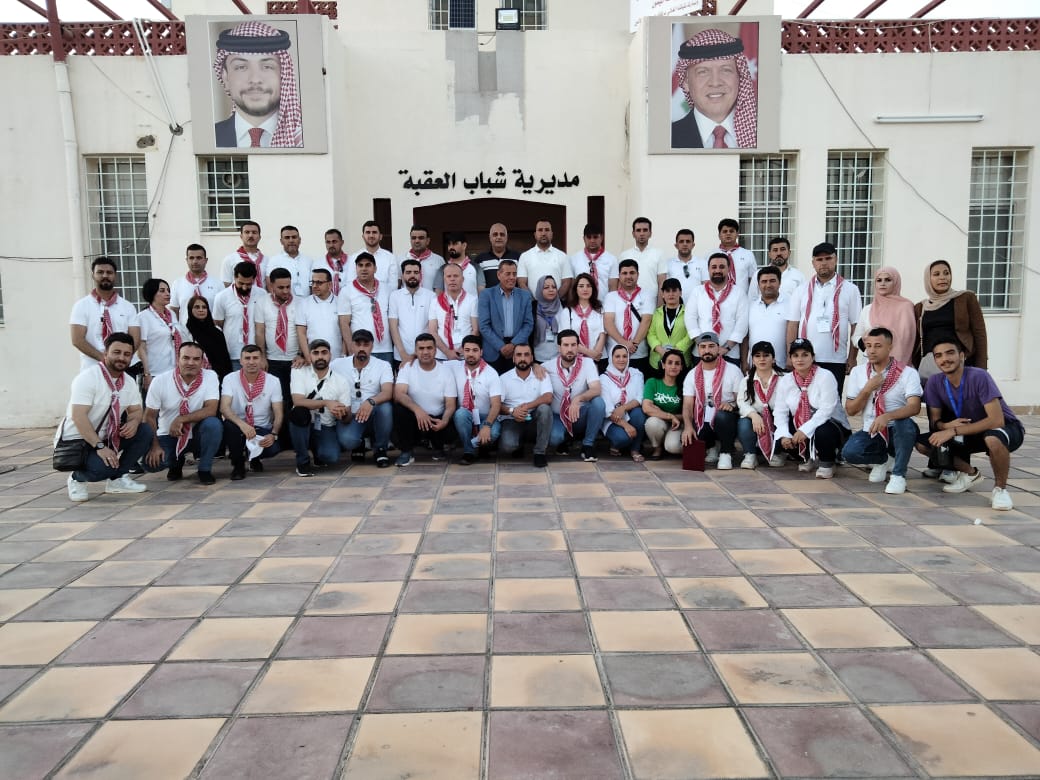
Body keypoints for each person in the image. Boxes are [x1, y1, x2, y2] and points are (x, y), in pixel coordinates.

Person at [915, 337, 1023, 510]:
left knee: (993, 438)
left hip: (1006, 428)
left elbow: (996, 420)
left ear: (962, 356)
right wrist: (945, 427)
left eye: (950, 353)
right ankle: (970, 474)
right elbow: (935, 421)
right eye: (939, 356)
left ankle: (1000, 490)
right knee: (924, 443)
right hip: (970, 430)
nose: (945, 359)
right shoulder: (934, 382)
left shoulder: (979, 376)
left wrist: (954, 431)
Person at [61, 332, 152, 502]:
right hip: (80, 440)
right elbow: (78, 416)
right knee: (103, 469)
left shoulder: (128, 382)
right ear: (105, 353)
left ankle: (117, 480)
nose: (122, 358)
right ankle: (76, 478)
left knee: (144, 430)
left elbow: (136, 411)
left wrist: (133, 422)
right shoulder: (88, 378)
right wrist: (100, 446)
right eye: (116, 352)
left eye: (127, 354)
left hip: (108, 436)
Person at [842, 327, 922, 495]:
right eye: (868, 345)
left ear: (890, 347)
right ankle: (884, 460)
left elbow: (914, 407)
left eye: (878, 346)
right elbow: (851, 410)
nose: (871, 350)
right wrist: (867, 389)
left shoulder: (907, 373)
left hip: (896, 427)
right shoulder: (858, 372)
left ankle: (898, 475)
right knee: (850, 453)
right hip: (872, 429)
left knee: (905, 426)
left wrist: (887, 416)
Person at [786, 242, 862, 394]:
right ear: (813, 263)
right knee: (804, 400)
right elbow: (793, 324)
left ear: (836, 260)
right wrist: (790, 355)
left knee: (832, 401)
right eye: (819, 260)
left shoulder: (850, 289)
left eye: (828, 258)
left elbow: (856, 326)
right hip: (805, 358)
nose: (824, 263)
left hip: (836, 359)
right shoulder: (801, 290)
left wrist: (852, 357)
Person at [212, 21, 302, 148]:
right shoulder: (208, 138)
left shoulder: (304, 139)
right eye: (241, 67)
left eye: (267, 67)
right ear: (225, 78)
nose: (255, 79)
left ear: (284, 75)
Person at [143, 341, 222, 485]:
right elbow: (149, 416)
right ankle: (175, 463)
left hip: (196, 434)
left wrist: (181, 419)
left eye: (196, 359)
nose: (191, 363)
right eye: (186, 358)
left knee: (213, 424)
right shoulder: (160, 381)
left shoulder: (210, 376)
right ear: (178, 358)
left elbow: (211, 409)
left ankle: (204, 469)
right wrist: (155, 446)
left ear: (202, 361)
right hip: (168, 434)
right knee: (151, 464)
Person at [773, 338, 851, 479]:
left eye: (805, 355)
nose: (800, 359)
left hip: (830, 423)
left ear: (813, 357)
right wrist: (784, 434)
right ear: (790, 358)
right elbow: (780, 411)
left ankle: (827, 462)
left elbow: (826, 410)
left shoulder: (825, 376)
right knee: (780, 431)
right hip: (801, 422)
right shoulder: (786, 380)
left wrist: (805, 430)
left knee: (822, 430)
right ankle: (807, 457)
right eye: (795, 355)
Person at [671, 27, 757, 149]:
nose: (715, 82)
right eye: (703, 72)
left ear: (740, 77)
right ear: (686, 82)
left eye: (726, 70)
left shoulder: (762, 135)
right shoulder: (667, 139)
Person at [913, 259, 988, 379]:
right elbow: (916, 340)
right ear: (928, 278)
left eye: (946, 273)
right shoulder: (920, 307)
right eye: (936, 274)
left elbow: (979, 333)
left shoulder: (966, 298)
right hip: (931, 368)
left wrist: (982, 369)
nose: (943, 277)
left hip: (962, 364)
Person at [254, 267, 305, 443]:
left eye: (288, 287)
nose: (285, 291)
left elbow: (303, 331)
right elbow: (260, 331)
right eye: (281, 287)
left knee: (294, 399)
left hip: (295, 361)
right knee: (278, 400)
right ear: (271, 286)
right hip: (272, 360)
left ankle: (294, 438)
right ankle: (280, 439)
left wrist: (301, 354)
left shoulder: (300, 303)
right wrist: (262, 357)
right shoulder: (262, 303)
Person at [330, 329, 395, 467]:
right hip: (350, 414)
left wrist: (371, 401)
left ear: (372, 346)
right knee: (348, 441)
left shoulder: (383, 365)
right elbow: (320, 369)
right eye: (358, 344)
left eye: (366, 345)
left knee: (386, 408)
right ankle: (359, 444)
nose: (361, 348)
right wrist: (302, 358)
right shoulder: (337, 364)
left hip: (373, 412)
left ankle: (380, 449)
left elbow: (387, 392)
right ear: (351, 345)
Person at [288, 339, 351, 476]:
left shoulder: (340, 380)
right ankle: (302, 463)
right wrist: (326, 402)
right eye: (315, 353)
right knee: (299, 412)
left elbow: (347, 417)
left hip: (325, 425)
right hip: (303, 423)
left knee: (330, 457)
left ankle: (318, 454)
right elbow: (297, 401)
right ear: (309, 355)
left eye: (324, 352)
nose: (320, 356)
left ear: (330, 355)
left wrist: (342, 413)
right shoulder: (299, 371)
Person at [393, 333, 457, 465]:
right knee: (399, 409)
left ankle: (439, 448)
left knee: (454, 418)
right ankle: (407, 452)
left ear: (435, 350)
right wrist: (418, 410)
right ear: (415, 351)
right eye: (421, 348)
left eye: (429, 348)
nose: (425, 352)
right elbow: (399, 394)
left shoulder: (446, 371)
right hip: (415, 420)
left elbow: (450, 404)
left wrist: (444, 421)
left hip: (436, 421)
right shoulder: (407, 368)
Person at [220, 344, 283, 480]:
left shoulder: (273, 381)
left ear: (262, 360)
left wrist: (273, 434)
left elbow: (278, 413)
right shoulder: (230, 379)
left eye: (255, 358)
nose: (251, 362)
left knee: (273, 448)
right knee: (229, 426)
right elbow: (224, 407)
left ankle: (254, 458)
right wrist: (243, 425)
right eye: (247, 358)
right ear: (241, 361)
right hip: (238, 426)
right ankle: (238, 465)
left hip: (261, 427)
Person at [682, 333, 743, 469]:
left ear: (718, 348)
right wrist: (688, 426)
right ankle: (712, 447)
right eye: (703, 347)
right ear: (698, 350)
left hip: (726, 417)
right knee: (694, 422)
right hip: (703, 417)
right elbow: (687, 406)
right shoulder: (692, 374)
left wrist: (732, 405)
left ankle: (726, 453)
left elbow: (742, 400)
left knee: (721, 415)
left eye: (711, 346)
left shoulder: (733, 370)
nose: (707, 350)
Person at [548, 329, 606, 463]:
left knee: (598, 403)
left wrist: (577, 399)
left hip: (579, 414)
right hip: (558, 416)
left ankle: (588, 445)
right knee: (555, 439)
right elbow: (532, 370)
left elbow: (596, 389)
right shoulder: (547, 366)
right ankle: (565, 439)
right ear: (559, 347)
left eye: (573, 345)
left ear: (578, 347)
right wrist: (535, 366)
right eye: (566, 345)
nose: (570, 349)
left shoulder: (588, 363)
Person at [70, 257, 138, 371]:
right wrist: (105, 359)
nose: (105, 275)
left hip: (123, 368)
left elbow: (135, 339)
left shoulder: (128, 307)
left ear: (115, 276)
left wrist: (121, 359)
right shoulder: (81, 306)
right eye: (100, 272)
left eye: (109, 272)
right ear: (93, 275)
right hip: (92, 367)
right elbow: (77, 340)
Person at [685, 252, 749, 366]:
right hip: (701, 353)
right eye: (714, 267)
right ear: (708, 270)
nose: (717, 270)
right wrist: (703, 346)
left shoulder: (738, 292)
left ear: (729, 269)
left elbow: (742, 323)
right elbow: (690, 319)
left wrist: (726, 348)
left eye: (722, 267)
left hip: (730, 353)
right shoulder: (698, 292)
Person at [498, 342, 554, 468]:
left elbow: (548, 397)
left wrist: (526, 407)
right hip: (511, 419)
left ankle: (540, 452)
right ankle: (519, 444)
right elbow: (496, 405)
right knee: (508, 446)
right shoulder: (503, 378)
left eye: (526, 355)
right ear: (513, 358)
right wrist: (513, 411)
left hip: (533, 417)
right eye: (519, 355)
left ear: (532, 358)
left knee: (545, 409)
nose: (523, 358)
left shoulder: (541, 374)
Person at [130, 278, 188, 397]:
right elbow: (141, 347)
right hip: (155, 372)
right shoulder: (144, 317)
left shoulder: (171, 314)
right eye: (162, 291)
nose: (167, 293)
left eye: (168, 290)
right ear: (152, 293)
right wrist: (147, 374)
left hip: (173, 371)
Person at [451, 335, 503, 465]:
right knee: (460, 414)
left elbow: (496, 405)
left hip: (486, 416)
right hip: (467, 414)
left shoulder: (491, 373)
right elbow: (433, 362)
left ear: (481, 352)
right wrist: (411, 357)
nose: (470, 354)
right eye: (467, 350)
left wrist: (487, 426)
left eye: (475, 350)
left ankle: (482, 447)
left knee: (493, 432)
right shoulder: (454, 367)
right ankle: (468, 452)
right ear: (462, 351)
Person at [478, 259, 534, 375]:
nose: (512, 277)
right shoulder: (486, 295)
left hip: (518, 348)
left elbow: (528, 324)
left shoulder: (525, 296)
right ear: (499, 275)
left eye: (514, 274)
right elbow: (483, 325)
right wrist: (501, 346)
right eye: (508, 274)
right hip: (493, 348)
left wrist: (513, 345)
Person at [850, 267, 916, 365]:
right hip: (870, 364)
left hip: (899, 365)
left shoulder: (906, 307)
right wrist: (868, 345)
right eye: (879, 280)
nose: (883, 283)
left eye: (888, 280)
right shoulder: (868, 309)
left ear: (896, 282)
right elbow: (856, 337)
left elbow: (907, 339)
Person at [737, 341, 786, 469]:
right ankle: (750, 454)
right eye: (757, 356)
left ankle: (777, 453)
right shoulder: (746, 381)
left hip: (778, 417)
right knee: (744, 423)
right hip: (756, 418)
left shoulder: (784, 379)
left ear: (773, 359)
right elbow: (742, 402)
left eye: (766, 355)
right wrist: (754, 415)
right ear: (753, 360)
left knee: (784, 421)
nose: (762, 359)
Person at [603, 259, 654, 375]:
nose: (628, 276)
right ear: (619, 276)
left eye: (632, 273)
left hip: (639, 352)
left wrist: (634, 344)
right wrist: (624, 344)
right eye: (624, 273)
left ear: (638, 275)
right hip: (616, 353)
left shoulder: (647, 295)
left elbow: (646, 320)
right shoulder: (611, 297)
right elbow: (608, 322)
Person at [339, 253, 393, 362]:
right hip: (360, 349)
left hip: (385, 349)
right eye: (360, 265)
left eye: (368, 265)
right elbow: (344, 323)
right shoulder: (346, 291)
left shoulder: (386, 289)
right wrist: (351, 349)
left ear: (375, 268)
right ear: (356, 268)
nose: (364, 269)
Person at [213, 261, 265, 370]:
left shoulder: (262, 294)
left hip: (255, 354)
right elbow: (218, 326)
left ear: (254, 280)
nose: (244, 288)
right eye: (241, 283)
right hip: (232, 353)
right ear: (234, 277)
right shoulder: (222, 297)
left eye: (249, 284)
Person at [600, 345, 647, 461]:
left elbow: (640, 398)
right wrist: (626, 425)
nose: (621, 360)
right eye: (617, 356)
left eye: (625, 356)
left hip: (631, 414)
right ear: (611, 358)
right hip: (612, 419)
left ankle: (635, 449)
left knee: (639, 413)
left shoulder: (636, 374)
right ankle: (617, 444)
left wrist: (623, 408)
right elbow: (608, 410)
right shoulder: (603, 378)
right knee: (622, 439)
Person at [389, 258, 436, 370]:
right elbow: (393, 327)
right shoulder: (395, 296)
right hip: (401, 355)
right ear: (403, 275)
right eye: (408, 272)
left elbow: (432, 327)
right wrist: (403, 354)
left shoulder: (431, 296)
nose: (412, 275)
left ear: (420, 275)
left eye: (416, 272)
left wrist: (422, 352)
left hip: (425, 354)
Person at [429, 263, 478, 361]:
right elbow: (432, 331)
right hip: (442, 356)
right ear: (444, 279)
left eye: (456, 276)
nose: (452, 279)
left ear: (462, 279)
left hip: (465, 355)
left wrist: (461, 350)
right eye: (449, 276)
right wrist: (447, 352)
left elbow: (475, 330)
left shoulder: (472, 300)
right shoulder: (435, 302)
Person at [643, 349, 686, 459]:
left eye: (677, 363)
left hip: (677, 425)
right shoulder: (652, 382)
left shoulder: (685, 385)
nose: (673, 366)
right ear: (663, 365)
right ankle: (657, 448)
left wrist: (663, 413)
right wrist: (670, 416)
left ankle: (668, 443)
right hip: (659, 422)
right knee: (652, 423)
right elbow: (646, 408)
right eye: (670, 362)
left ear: (681, 367)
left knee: (673, 447)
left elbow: (688, 414)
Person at [561, 272, 607, 370]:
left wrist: (596, 353)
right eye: (581, 286)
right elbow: (567, 338)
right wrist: (591, 353)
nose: (585, 289)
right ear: (575, 289)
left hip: (599, 358)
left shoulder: (599, 309)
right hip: (576, 359)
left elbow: (603, 333)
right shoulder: (567, 312)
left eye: (588, 286)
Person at [518, 219, 573, 300]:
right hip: (533, 304)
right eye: (540, 230)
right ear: (535, 234)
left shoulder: (562, 256)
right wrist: (534, 302)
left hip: (557, 304)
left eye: (547, 230)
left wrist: (554, 301)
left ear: (552, 234)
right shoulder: (525, 256)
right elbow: (521, 283)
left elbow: (567, 282)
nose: (543, 233)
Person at [296, 268, 343, 360]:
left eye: (319, 283)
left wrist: (344, 354)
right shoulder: (304, 304)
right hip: (313, 358)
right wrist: (308, 357)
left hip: (337, 358)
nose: (314, 286)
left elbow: (345, 331)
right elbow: (301, 333)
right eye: (313, 282)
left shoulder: (340, 302)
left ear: (329, 284)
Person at [748, 265, 790, 370]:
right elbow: (745, 337)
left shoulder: (790, 304)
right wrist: (744, 362)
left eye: (772, 281)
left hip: (781, 365)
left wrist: (790, 358)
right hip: (755, 367)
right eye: (764, 281)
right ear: (758, 284)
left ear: (780, 283)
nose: (768, 285)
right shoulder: (750, 306)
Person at [648, 278, 692, 373]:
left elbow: (691, 334)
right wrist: (661, 351)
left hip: (680, 362)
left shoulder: (688, 312)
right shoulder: (657, 312)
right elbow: (651, 334)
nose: (671, 294)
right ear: (663, 294)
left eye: (674, 290)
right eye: (667, 291)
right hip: (658, 361)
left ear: (680, 292)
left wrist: (676, 351)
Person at [170, 244, 222, 325]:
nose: (195, 261)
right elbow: (174, 310)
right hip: (185, 331)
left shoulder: (218, 283)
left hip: (210, 330)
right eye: (191, 258)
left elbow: (222, 311)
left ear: (206, 260)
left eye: (199, 258)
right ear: (186, 260)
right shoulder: (177, 283)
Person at [184, 295, 233, 381]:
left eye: (204, 307)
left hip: (219, 376)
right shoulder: (186, 331)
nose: (201, 310)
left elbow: (225, 358)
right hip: (196, 375)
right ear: (190, 310)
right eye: (197, 307)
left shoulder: (217, 331)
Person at [618, 217, 666, 305]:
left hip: (651, 301)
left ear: (650, 233)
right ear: (633, 234)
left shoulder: (659, 254)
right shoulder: (624, 255)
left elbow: (662, 282)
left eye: (645, 230)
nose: (642, 233)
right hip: (628, 302)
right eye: (638, 230)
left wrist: (660, 306)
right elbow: (620, 282)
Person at [262, 225, 313, 298]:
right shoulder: (274, 260)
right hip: (285, 303)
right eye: (287, 238)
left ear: (299, 240)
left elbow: (312, 285)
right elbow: (270, 285)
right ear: (281, 241)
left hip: (306, 303)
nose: (291, 240)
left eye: (294, 237)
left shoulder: (308, 260)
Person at [570, 224, 617, 302]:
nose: (592, 240)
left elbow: (613, 287)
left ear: (601, 238)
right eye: (589, 237)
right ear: (583, 239)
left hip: (604, 304)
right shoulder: (574, 259)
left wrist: (610, 306)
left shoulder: (612, 259)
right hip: (581, 305)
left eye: (595, 237)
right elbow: (572, 287)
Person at [346, 221, 398, 290]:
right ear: (363, 237)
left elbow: (393, 286)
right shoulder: (354, 257)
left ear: (380, 236)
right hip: (359, 296)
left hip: (384, 296)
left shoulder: (390, 258)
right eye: (368, 232)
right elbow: (350, 284)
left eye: (374, 232)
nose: (371, 235)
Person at [476, 223, 520, 291]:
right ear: (490, 237)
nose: (499, 237)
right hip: (489, 297)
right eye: (495, 234)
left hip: (513, 297)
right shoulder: (480, 259)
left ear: (506, 237)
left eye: (502, 234)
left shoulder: (517, 257)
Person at [715, 219, 756, 292]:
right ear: (719, 236)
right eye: (725, 231)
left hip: (742, 297)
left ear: (737, 234)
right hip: (718, 297)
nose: (728, 234)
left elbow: (753, 280)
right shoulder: (710, 255)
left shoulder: (748, 254)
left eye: (731, 231)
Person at [220, 221, 264, 286]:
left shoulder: (266, 260)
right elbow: (226, 284)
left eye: (254, 232)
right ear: (241, 236)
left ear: (259, 237)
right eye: (247, 232)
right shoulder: (230, 259)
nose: (250, 235)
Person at [532, 275, 562, 365]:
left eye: (554, 287)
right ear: (540, 289)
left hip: (559, 357)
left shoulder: (563, 306)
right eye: (546, 287)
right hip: (538, 357)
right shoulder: (532, 307)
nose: (551, 290)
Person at [666, 228, 702, 302]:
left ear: (693, 245)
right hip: (675, 306)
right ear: (676, 245)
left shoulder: (702, 263)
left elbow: (707, 286)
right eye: (681, 241)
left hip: (697, 305)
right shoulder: (668, 264)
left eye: (688, 241)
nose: (685, 244)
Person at [406, 224, 445, 293]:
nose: (417, 241)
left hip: (432, 299)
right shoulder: (401, 260)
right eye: (414, 238)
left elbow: (443, 286)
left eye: (421, 238)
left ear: (428, 241)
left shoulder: (439, 261)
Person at [445, 232, 479, 298]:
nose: (451, 247)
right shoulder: (443, 268)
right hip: (449, 304)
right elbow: (439, 293)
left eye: (455, 244)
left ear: (464, 245)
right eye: (449, 244)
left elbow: (481, 292)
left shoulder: (476, 267)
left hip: (472, 304)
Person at [319, 228, 348, 296]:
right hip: (326, 301)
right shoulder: (318, 264)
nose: (331, 245)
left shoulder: (352, 261)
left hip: (347, 300)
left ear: (342, 242)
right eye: (328, 242)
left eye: (334, 241)